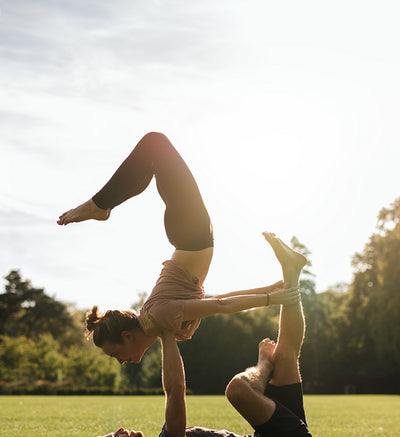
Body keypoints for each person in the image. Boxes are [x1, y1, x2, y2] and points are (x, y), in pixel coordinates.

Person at [80, 233, 313, 437]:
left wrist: (269, 290)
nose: (119, 430)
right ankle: (263, 365)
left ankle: (291, 272)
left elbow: (216, 302)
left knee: (286, 354)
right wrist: (166, 334)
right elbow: (175, 389)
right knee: (237, 390)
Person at [58, 132, 300, 363]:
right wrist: (271, 289)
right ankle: (101, 206)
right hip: (193, 236)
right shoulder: (160, 323)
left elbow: (220, 306)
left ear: (127, 336)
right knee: (154, 155)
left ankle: (100, 205)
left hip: (190, 235)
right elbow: (219, 300)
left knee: (155, 144)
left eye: (115, 354)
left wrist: (271, 299)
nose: (121, 362)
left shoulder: (157, 317)